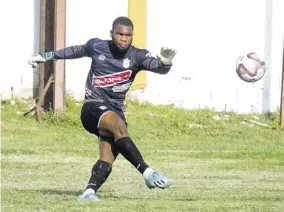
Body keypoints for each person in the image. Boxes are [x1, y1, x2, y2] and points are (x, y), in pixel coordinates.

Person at [28, 16, 177, 201]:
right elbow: (75, 51)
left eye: (128, 35)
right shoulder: (97, 46)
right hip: (93, 107)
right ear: (111, 34)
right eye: (119, 34)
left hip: (115, 111)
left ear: (132, 36)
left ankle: (89, 192)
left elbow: (159, 68)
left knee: (107, 156)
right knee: (118, 127)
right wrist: (47, 56)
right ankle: (148, 173)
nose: (123, 38)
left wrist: (166, 63)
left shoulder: (137, 55)